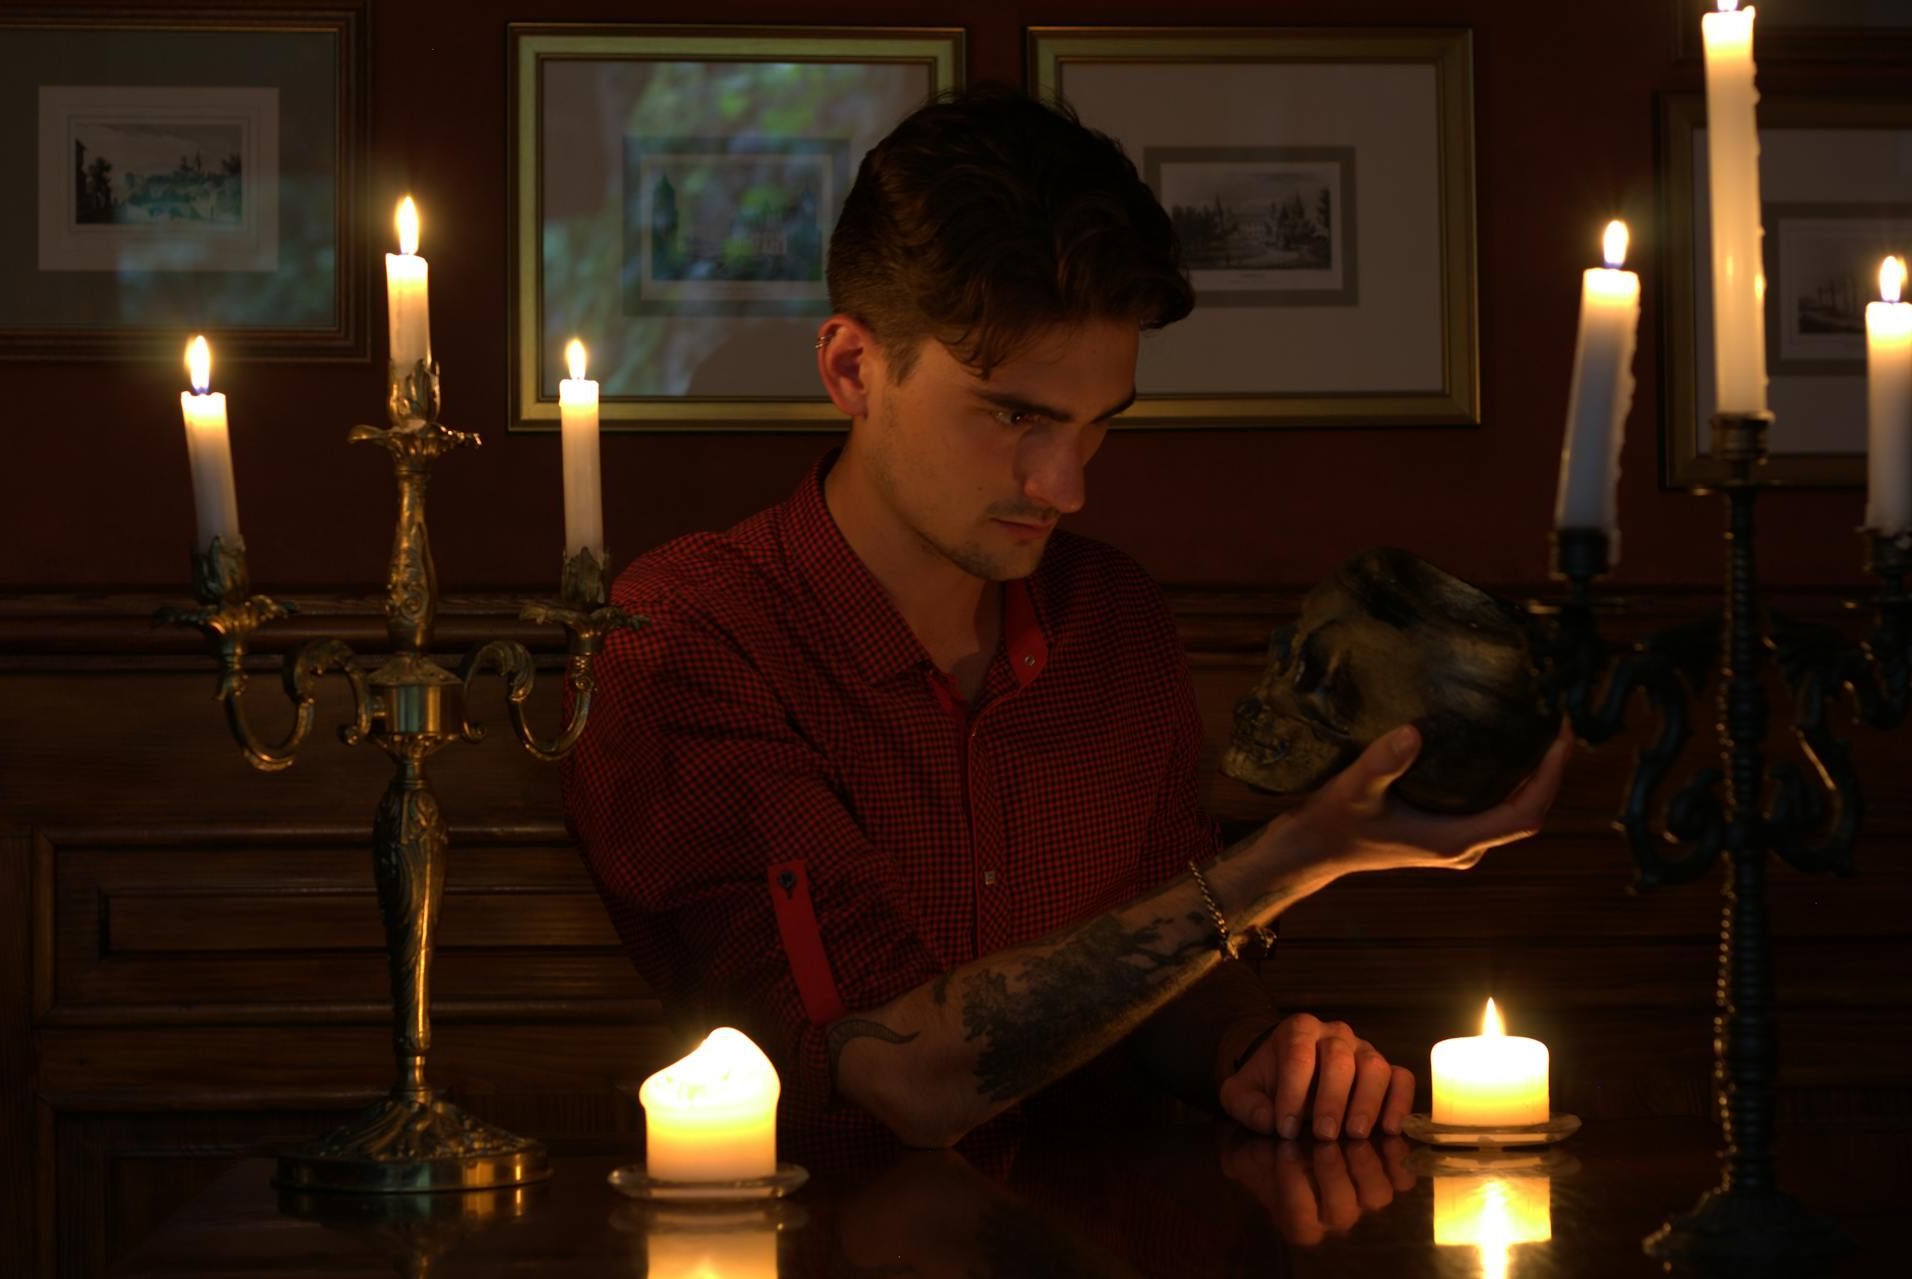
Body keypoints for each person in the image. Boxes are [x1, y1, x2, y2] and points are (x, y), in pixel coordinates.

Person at [563, 85, 1568, 1156]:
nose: (1065, 485)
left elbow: (1158, 971)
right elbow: (895, 1072)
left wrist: (1248, 1052)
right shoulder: (690, 633)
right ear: (853, 368)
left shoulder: (1114, 621)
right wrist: (1294, 857)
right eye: (1014, 417)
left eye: (1096, 428)